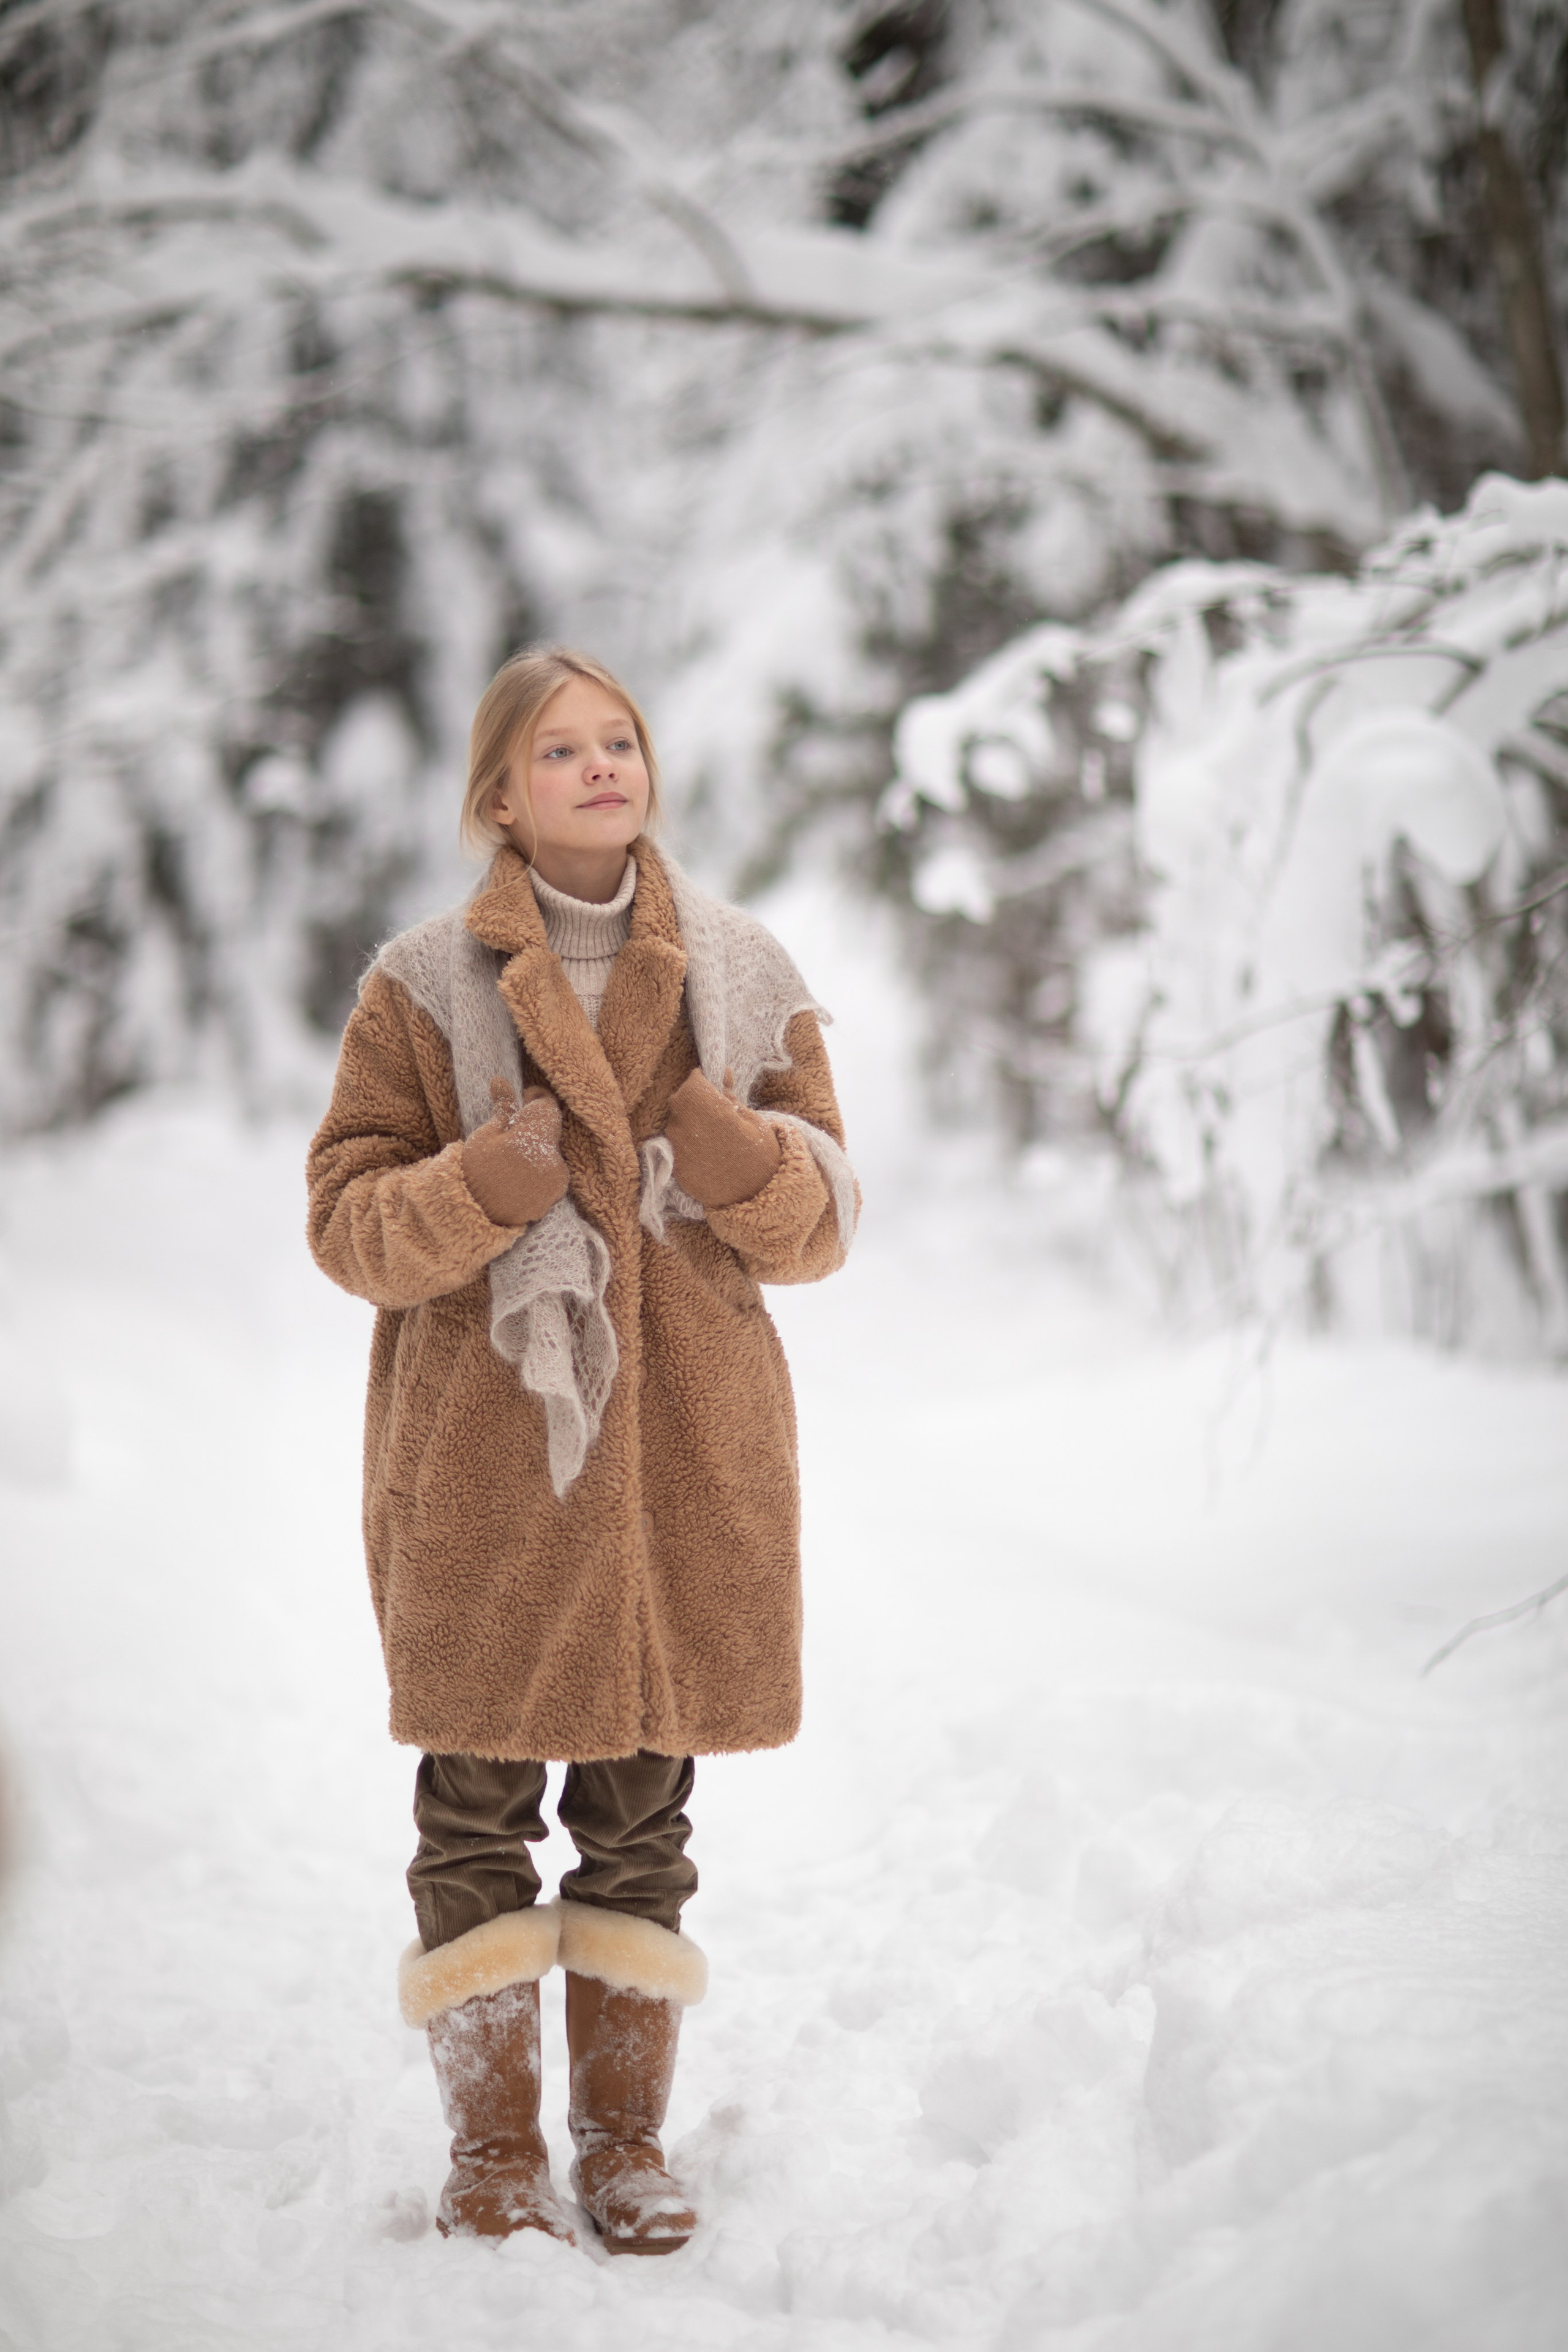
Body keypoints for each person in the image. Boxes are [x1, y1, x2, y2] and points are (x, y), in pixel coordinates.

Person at [306, 647, 858, 2255]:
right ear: (499, 796)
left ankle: (623, 2143)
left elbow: (821, 1219)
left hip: (681, 1465)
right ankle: (492, 2150)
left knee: (643, 1810)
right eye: (564, 751)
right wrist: (475, 1187)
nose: (605, 767)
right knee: (475, 1802)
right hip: (491, 1467)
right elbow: (344, 1222)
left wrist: (747, 1153)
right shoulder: (419, 986)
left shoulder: (744, 975)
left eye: (621, 742)